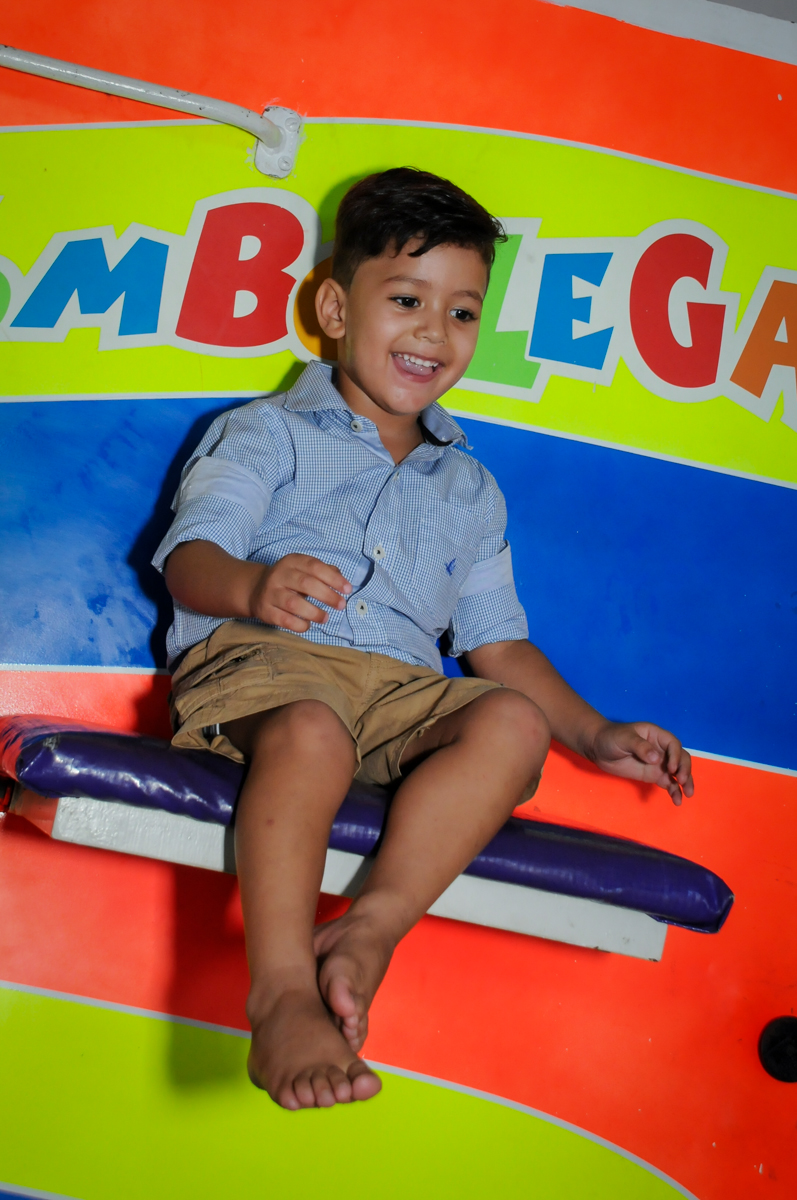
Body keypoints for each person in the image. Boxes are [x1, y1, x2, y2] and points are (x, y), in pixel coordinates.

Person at [154, 167, 693, 1111]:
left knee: (512, 721)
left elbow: (496, 643)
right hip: (272, 667)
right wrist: (253, 584)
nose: (432, 334)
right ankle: (281, 992)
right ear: (333, 303)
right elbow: (188, 557)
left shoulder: (470, 487)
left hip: (400, 695)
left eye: (460, 313)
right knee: (313, 730)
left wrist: (593, 732)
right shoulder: (265, 433)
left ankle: (371, 929)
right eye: (406, 299)